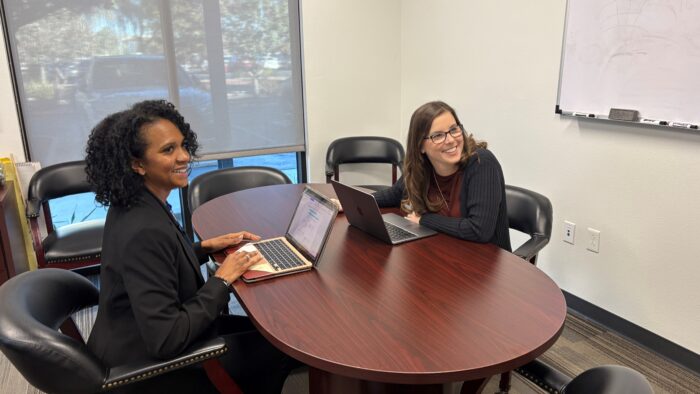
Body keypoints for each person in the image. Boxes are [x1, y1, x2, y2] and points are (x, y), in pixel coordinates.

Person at [85, 100, 292, 393]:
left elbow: (158, 264)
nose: (184, 157)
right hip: (146, 367)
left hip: (133, 335)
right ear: (137, 164)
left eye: (183, 145)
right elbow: (166, 339)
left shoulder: (134, 205)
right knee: (278, 347)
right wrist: (222, 279)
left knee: (269, 330)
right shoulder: (144, 229)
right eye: (168, 150)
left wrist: (204, 247)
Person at [373, 101, 511, 251]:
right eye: (438, 135)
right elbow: (394, 194)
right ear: (420, 146)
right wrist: (348, 201)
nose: (451, 140)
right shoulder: (422, 167)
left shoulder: (481, 162)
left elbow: (478, 230)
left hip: (485, 262)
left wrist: (424, 220)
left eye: (454, 129)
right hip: (444, 253)